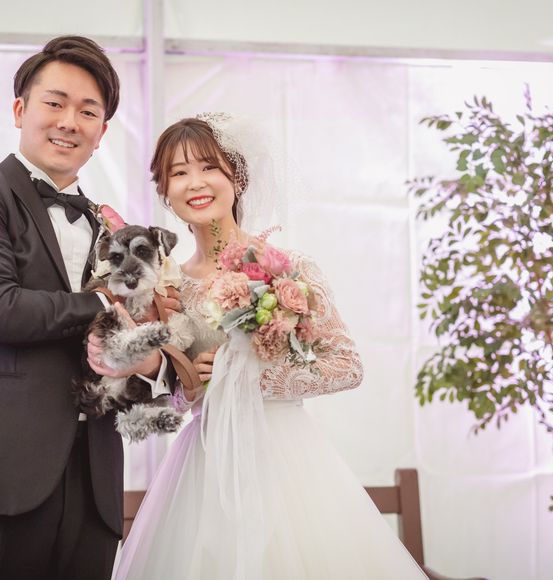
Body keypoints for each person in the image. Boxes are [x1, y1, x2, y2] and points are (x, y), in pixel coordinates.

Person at [114, 114, 428, 579]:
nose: (195, 182)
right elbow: (179, 395)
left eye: (208, 167)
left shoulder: (288, 267)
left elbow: (347, 365)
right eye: (178, 173)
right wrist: (190, 387)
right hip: (205, 463)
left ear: (236, 178)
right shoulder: (168, 286)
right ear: (165, 191)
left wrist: (247, 376)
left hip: (285, 458)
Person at [0, 36, 179, 580]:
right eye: (55, 103)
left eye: (87, 111)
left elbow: (143, 327)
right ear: (20, 110)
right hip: (11, 470)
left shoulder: (111, 226)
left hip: (97, 475)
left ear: (102, 133)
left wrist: (154, 364)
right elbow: (5, 308)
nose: (69, 122)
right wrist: (100, 301)